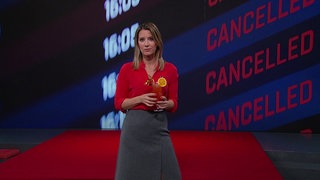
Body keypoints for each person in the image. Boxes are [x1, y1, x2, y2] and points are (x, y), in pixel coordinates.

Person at [114, 22, 181, 180]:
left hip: (158, 127)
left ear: (157, 42)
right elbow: (119, 103)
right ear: (137, 43)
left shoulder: (170, 69)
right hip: (134, 130)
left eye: (150, 39)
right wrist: (140, 99)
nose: (146, 43)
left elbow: (174, 103)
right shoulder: (127, 69)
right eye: (142, 39)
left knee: (172, 175)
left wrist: (166, 103)